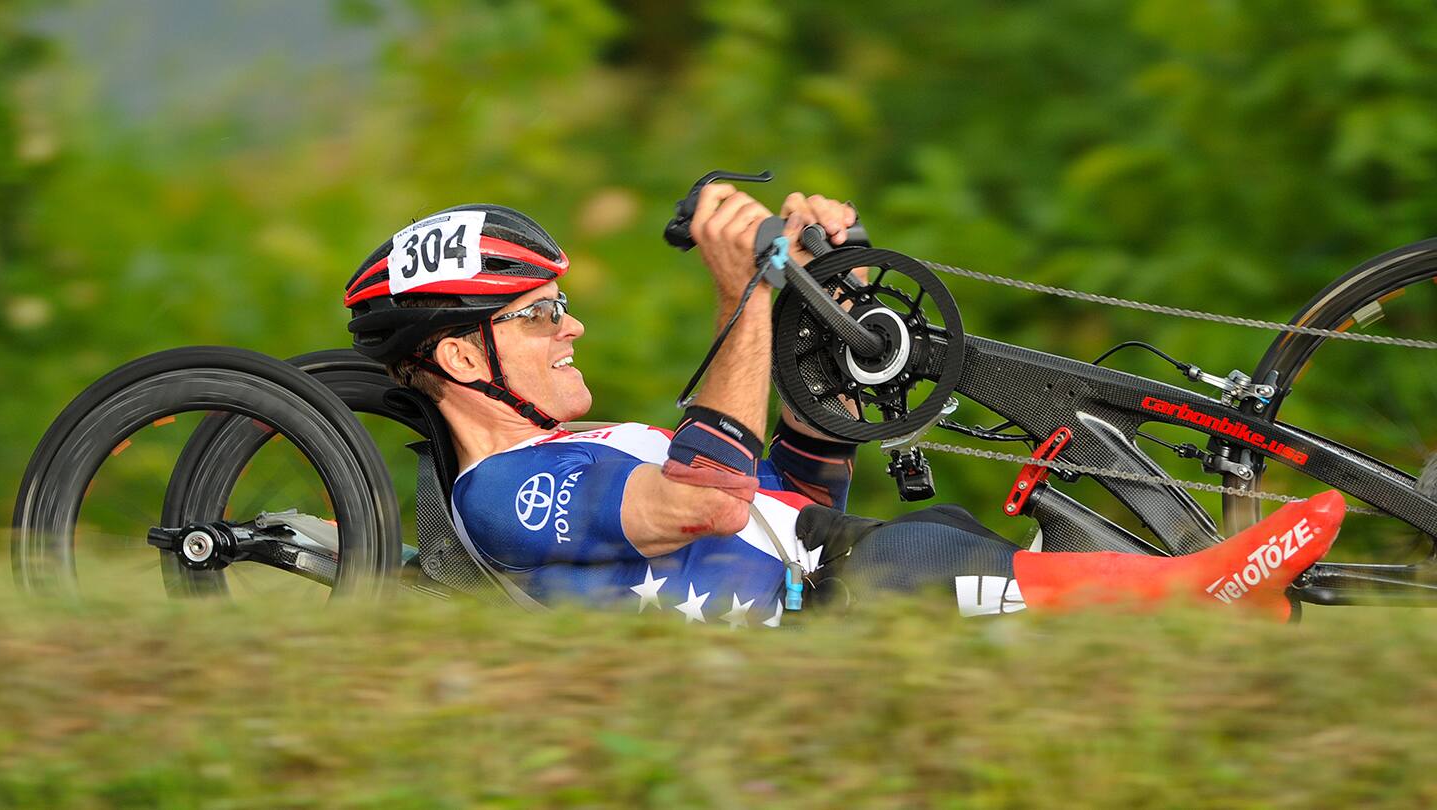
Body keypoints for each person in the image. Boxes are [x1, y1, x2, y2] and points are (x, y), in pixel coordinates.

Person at [344, 190, 1342, 625]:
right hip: (838, 605)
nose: (572, 328)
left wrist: (826, 310)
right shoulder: (502, 494)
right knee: (920, 561)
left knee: (930, 534)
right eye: (542, 313)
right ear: (459, 353)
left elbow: (784, 494)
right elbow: (710, 499)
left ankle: (1206, 598)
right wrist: (745, 294)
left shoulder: (583, 445)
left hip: (841, 562)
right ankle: (1194, 593)